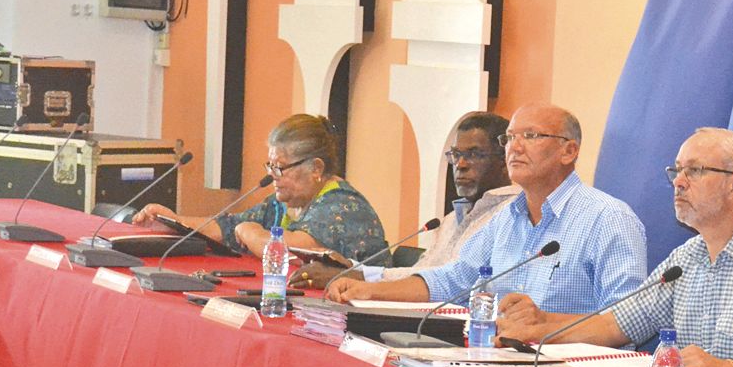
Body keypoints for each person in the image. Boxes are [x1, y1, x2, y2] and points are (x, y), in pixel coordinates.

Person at [498, 128, 733, 367]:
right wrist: (536, 332)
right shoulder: (685, 258)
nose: (678, 181)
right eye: (677, 170)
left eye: (696, 171)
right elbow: (614, 326)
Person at [325, 103, 646, 315]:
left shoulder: (607, 219)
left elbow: (624, 318)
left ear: (569, 151)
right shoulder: (506, 219)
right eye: (510, 138)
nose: (515, 147)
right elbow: (452, 280)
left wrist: (545, 324)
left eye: (531, 136)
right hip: (498, 360)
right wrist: (371, 291)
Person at [291, 111, 518, 289]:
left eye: (475, 155)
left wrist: (358, 276)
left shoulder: (511, 215)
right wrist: (354, 271)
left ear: (503, 161)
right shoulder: (451, 219)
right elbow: (420, 275)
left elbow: (446, 283)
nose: (461, 165)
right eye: (457, 155)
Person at [134, 113, 387, 263]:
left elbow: (295, 251)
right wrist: (173, 220)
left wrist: (250, 232)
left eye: (280, 168)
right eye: (270, 165)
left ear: (316, 168)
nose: (272, 176)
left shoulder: (343, 206)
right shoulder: (286, 201)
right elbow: (225, 228)